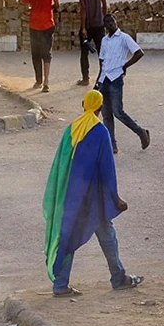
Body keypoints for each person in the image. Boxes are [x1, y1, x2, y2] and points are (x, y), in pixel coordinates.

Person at [43, 89, 144, 296]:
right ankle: (118, 278)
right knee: (108, 235)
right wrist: (115, 199)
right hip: (93, 199)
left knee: (68, 236)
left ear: (83, 105)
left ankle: (61, 284)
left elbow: (61, 163)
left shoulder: (72, 128)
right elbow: (107, 170)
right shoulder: (100, 131)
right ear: (99, 107)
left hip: (71, 195)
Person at [97, 15, 149, 154]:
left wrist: (126, 65)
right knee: (106, 114)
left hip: (116, 78)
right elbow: (102, 62)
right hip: (105, 79)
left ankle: (141, 132)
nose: (110, 24)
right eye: (107, 22)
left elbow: (139, 53)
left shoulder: (123, 37)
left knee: (118, 112)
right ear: (105, 26)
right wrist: (97, 82)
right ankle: (112, 144)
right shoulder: (104, 40)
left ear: (116, 22)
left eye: (112, 21)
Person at [22, 0, 59, 92]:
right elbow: (57, 4)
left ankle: (38, 81)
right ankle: (46, 82)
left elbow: (26, 8)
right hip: (48, 23)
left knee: (36, 54)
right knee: (47, 53)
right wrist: (49, 8)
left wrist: (34, 8)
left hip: (35, 24)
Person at [75, 0, 108, 87]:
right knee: (102, 52)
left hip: (88, 25)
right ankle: (103, 77)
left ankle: (85, 78)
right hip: (99, 24)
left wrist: (83, 27)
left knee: (84, 53)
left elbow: (83, 8)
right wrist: (103, 18)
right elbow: (105, 4)